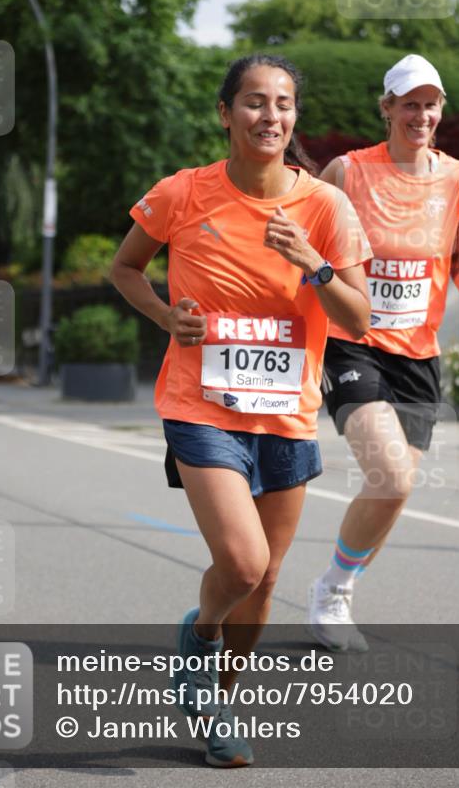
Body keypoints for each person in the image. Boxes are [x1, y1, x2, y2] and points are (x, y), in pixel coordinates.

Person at [111, 54, 372, 767]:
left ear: (294, 117)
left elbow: (357, 319)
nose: (270, 117)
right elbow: (124, 266)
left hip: (287, 413)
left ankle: (216, 699)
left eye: (283, 104)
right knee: (241, 561)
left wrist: (312, 263)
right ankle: (199, 636)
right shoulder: (182, 192)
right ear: (225, 114)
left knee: (265, 580)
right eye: (253, 103)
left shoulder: (324, 205)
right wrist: (168, 318)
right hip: (201, 404)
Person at [307, 53, 459, 653]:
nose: (422, 114)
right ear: (387, 108)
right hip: (353, 343)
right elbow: (307, 248)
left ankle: (336, 583)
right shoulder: (347, 172)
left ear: (441, 110)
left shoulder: (458, 179)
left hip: (419, 355)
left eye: (432, 103)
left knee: (393, 490)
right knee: (390, 476)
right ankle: (333, 597)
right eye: (410, 103)